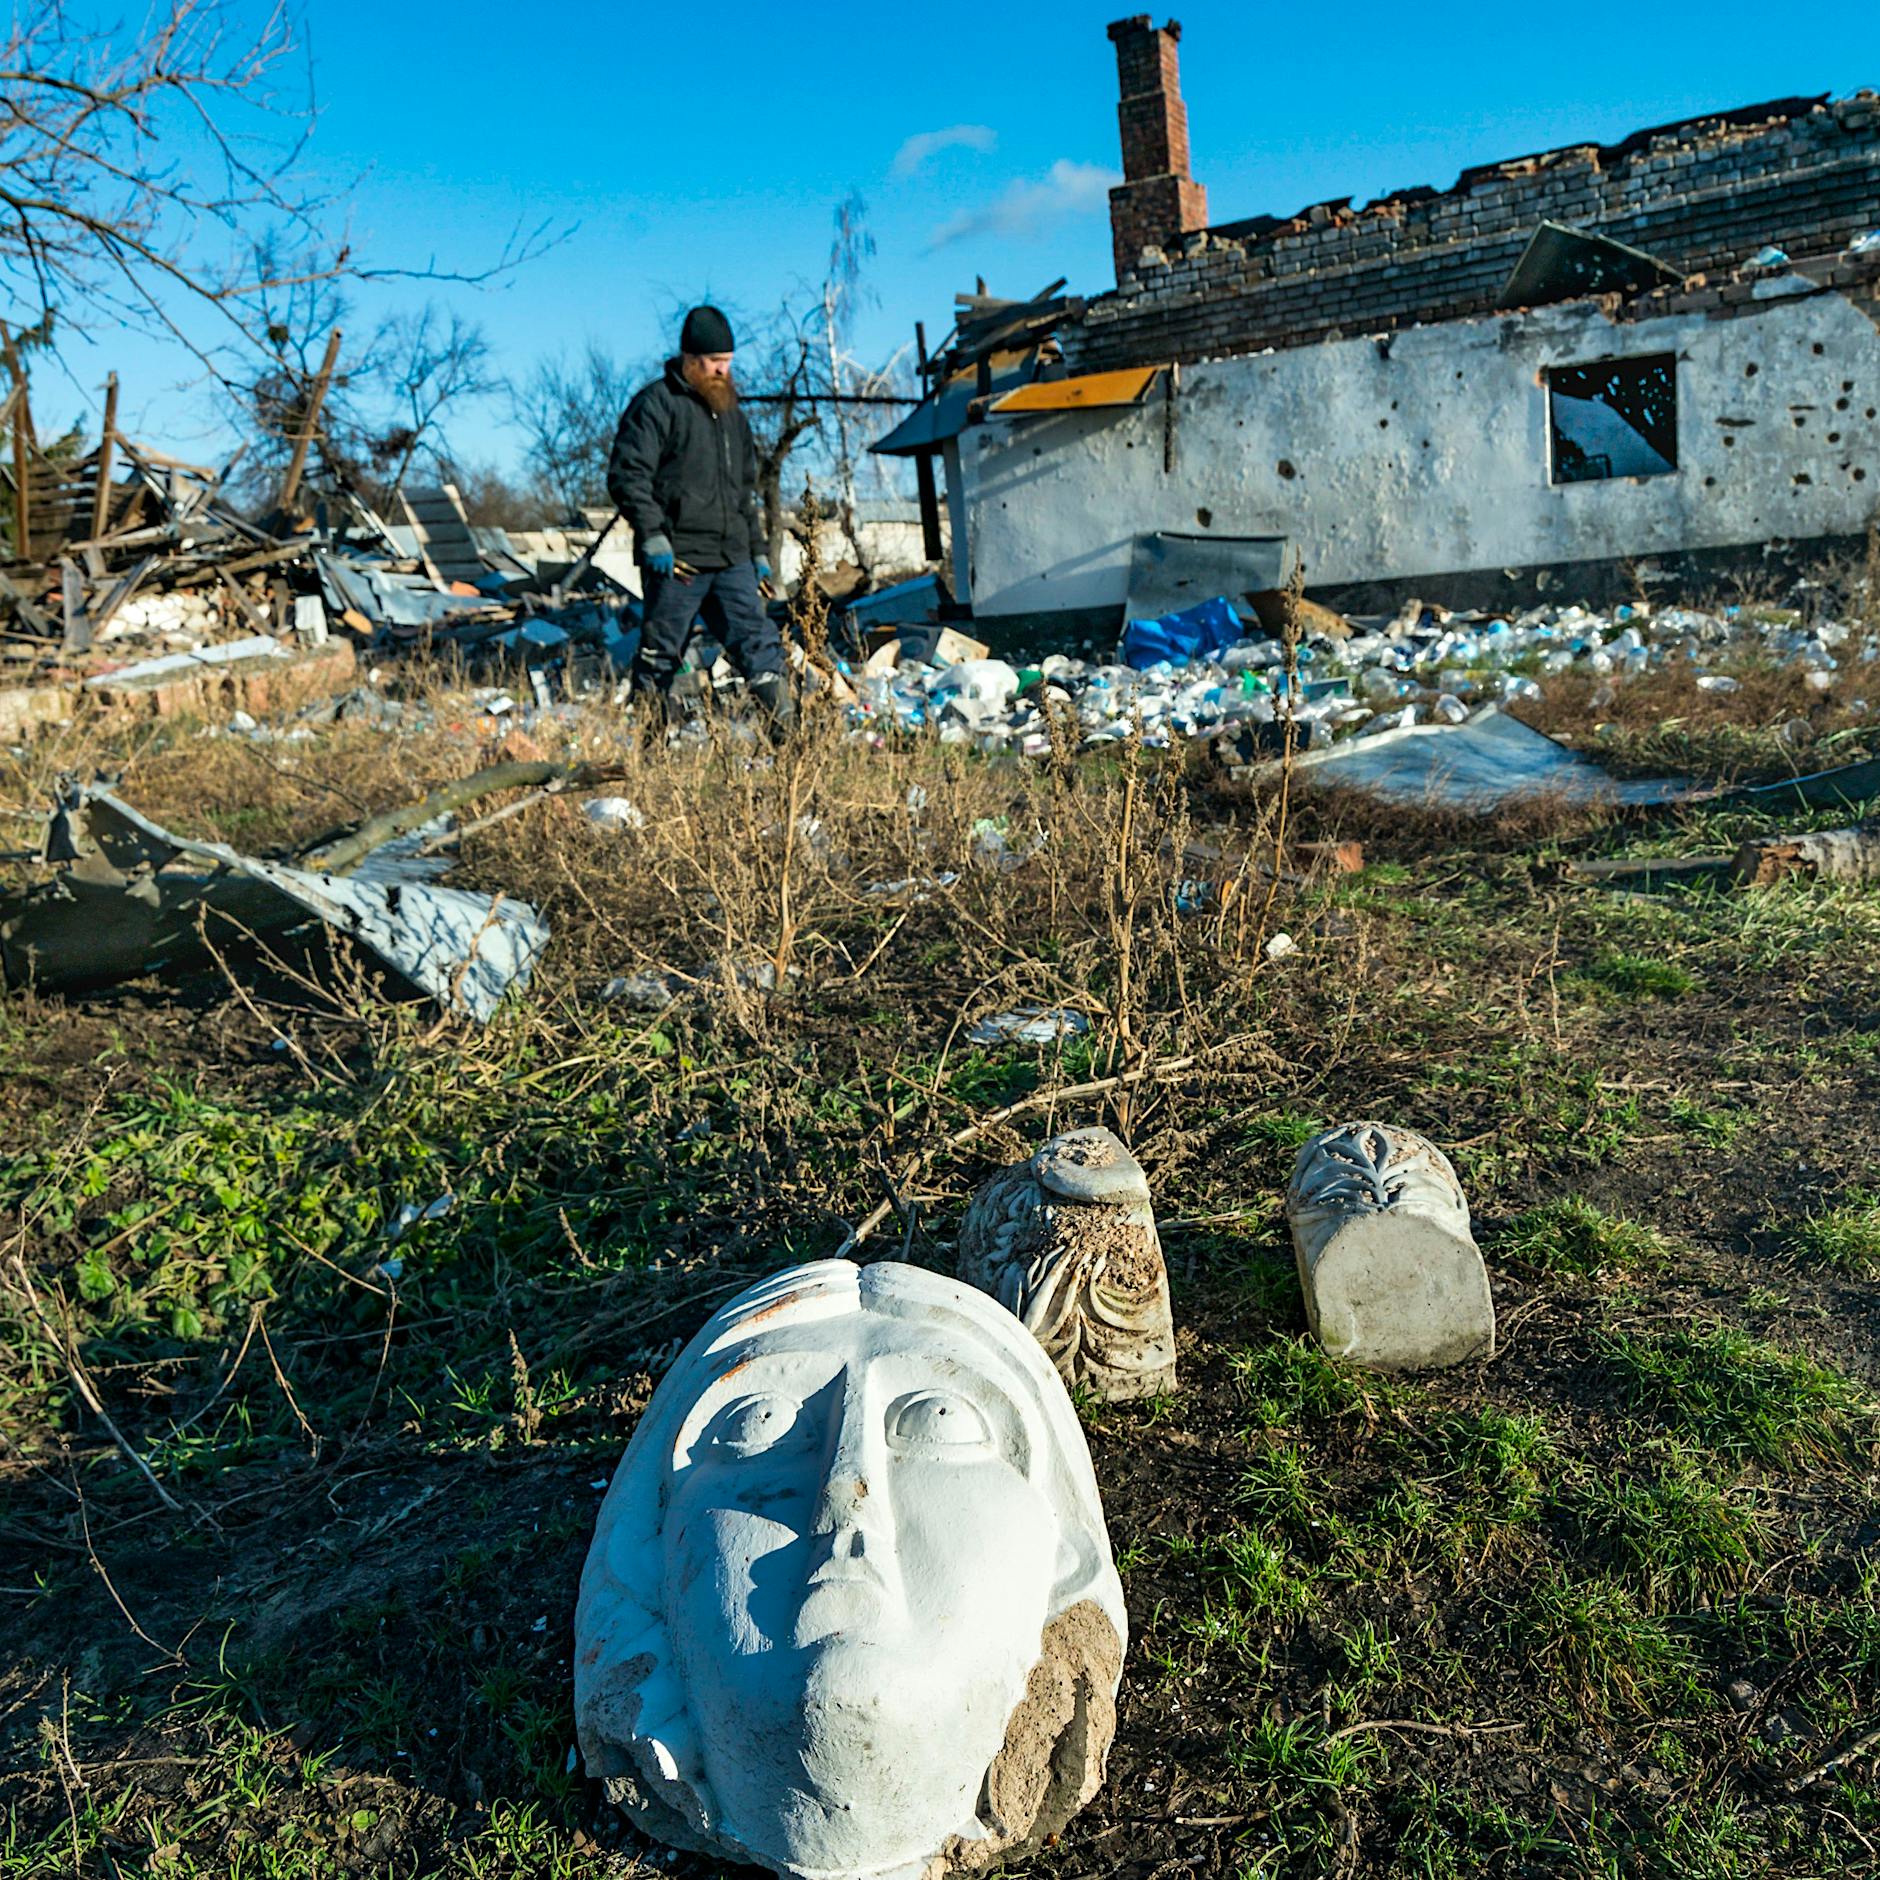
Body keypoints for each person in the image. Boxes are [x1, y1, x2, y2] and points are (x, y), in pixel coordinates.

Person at [606, 305, 793, 731]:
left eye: (727, 362)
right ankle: (651, 751)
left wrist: (758, 551)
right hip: (678, 561)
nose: (723, 372)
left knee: (759, 645)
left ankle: (790, 744)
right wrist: (652, 533)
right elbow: (627, 474)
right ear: (690, 360)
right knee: (661, 654)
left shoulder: (732, 415)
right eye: (714, 362)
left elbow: (744, 492)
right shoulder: (656, 404)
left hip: (731, 559)